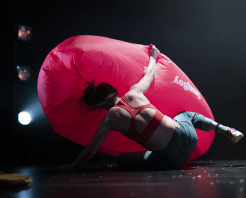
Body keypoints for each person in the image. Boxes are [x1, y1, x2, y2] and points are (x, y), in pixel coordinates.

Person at [58, 45, 243, 172]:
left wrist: (71, 167)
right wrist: (154, 55)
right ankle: (224, 129)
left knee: (122, 159)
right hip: (189, 137)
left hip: (172, 161)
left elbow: (91, 151)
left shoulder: (109, 120)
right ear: (115, 91)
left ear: (99, 105)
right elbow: (150, 73)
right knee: (186, 115)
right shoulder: (134, 93)